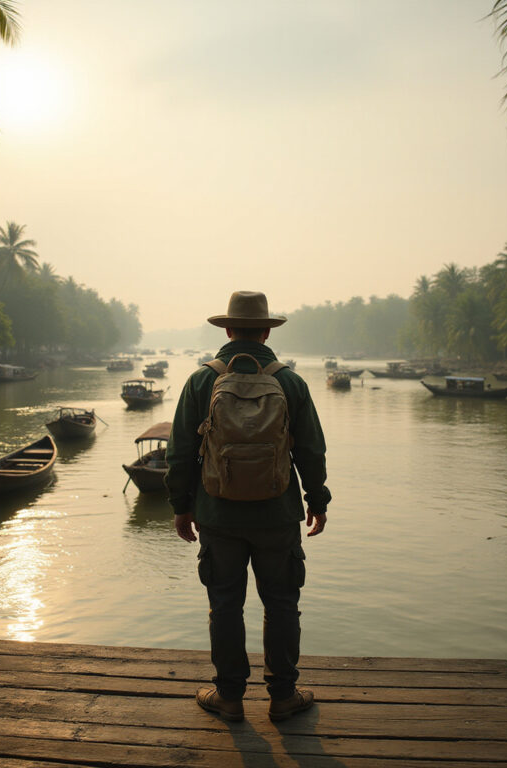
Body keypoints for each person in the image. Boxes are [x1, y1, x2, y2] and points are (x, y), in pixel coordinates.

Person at [166, 290, 331, 723]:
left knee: (224, 604)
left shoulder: (202, 381)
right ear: (266, 330)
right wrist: (318, 500)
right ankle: (282, 697)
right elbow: (311, 451)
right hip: (278, 514)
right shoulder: (290, 382)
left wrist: (181, 506)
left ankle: (230, 697)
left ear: (227, 329)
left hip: (217, 514)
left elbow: (180, 452)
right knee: (281, 603)